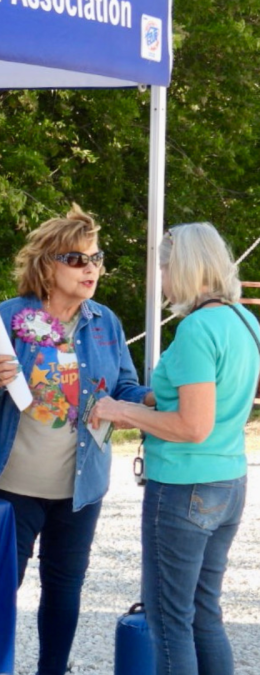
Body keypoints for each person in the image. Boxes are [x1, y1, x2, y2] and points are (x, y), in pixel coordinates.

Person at [0, 204, 152, 675]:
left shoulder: (105, 321)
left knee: (65, 591)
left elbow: (124, 386)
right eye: (78, 259)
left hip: (81, 488)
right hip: (12, 485)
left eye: (97, 258)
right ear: (48, 265)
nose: (92, 269)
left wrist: (153, 401)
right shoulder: (7, 317)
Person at [93, 222, 258, 675]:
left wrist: (118, 412)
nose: (161, 278)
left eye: (164, 267)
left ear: (181, 268)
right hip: (229, 480)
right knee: (205, 614)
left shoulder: (196, 329)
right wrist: (145, 397)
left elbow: (192, 425)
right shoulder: (244, 321)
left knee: (168, 621)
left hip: (184, 486)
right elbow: (211, 394)